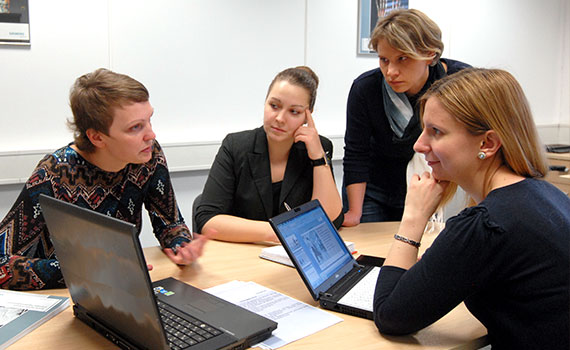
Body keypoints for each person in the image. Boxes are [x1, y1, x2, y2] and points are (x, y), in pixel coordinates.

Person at [373, 68, 570, 349]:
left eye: (436, 132)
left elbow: (390, 315)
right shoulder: (546, 193)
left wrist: (414, 216)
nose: (419, 144)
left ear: (487, 143)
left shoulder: (488, 224)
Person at [0, 68, 208, 290]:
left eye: (149, 120)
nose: (151, 135)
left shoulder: (148, 156)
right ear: (97, 137)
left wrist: (182, 246)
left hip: (119, 290)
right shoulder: (55, 173)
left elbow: (170, 224)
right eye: (135, 127)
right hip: (64, 295)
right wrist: (88, 270)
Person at [342, 9, 470, 226]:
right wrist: (354, 213)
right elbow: (356, 153)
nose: (391, 71)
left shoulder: (462, 83)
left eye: (403, 59)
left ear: (430, 54)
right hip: (374, 188)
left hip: (427, 183)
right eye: (384, 60)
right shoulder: (366, 88)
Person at [194, 66, 343, 243]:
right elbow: (208, 219)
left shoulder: (318, 147)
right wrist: (281, 232)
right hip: (241, 254)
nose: (280, 118)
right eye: (274, 106)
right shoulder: (236, 146)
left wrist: (318, 158)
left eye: (294, 111)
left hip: (294, 261)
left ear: (307, 117)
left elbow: (331, 219)